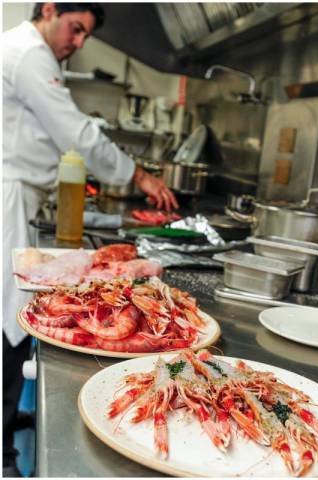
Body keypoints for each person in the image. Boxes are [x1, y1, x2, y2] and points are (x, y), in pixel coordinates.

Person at [2, 3, 178, 475]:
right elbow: (75, 131)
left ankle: (7, 418)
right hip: (9, 201)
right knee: (10, 323)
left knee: (16, 319)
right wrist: (138, 175)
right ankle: (3, 449)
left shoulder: (28, 51)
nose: (77, 43)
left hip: (21, 197)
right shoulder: (27, 52)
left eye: (85, 37)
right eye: (75, 28)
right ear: (50, 9)